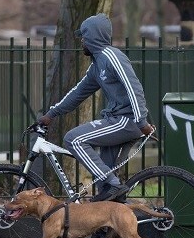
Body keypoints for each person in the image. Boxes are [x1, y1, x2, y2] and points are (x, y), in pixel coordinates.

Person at [38, 13, 155, 202]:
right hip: (118, 120)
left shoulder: (112, 56)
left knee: (73, 139)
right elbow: (78, 92)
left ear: (93, 36)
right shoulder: (97, 65)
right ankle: (107, 226)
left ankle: (115, 185)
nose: (81, 41)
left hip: (126, 121)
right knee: (104, 187)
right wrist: (52, 114)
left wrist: (141, 121)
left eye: (84, 36)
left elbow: (134, 87)